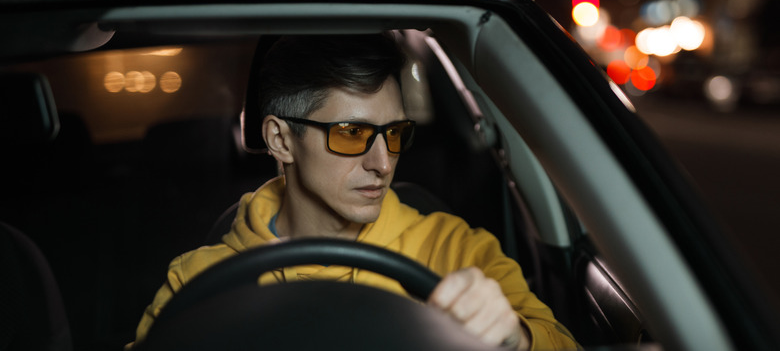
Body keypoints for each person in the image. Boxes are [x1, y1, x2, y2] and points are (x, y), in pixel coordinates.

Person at [127, 33, 580, 350]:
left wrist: (515, 338)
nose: (382, 163)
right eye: (350, 133)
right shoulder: (200, 281)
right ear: (281, 140)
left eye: (395, 133)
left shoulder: (454, 250)